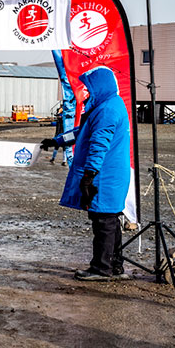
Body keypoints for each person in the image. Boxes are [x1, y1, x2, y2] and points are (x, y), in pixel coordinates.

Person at [41, 66, 130, 281]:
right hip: (108, 174)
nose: (86, 92)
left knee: (104, 222)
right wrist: (57, 141)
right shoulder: (106, 106)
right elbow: (83, 131)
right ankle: (114, 266)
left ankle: (101, 268)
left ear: (100, 86)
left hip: (104, 175)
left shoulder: (108, 109)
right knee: (109, 219)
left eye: (89, 88)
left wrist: (89, 175)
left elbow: (99, 144)